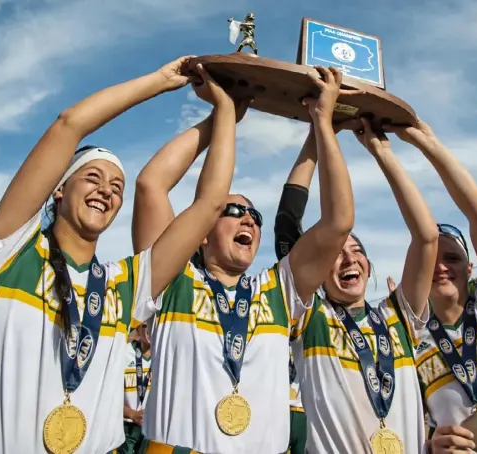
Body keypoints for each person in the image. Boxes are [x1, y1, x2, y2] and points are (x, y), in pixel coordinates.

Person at [0, 56, 238, 453]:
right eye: (93, 177)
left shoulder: (124, 284)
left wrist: (225, 111)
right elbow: (68, 124)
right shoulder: (11, 249)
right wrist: (160, 80)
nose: (106, 190)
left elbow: (210, 203)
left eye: (117, 186)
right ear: (58, 190)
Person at [132, 66, 355, 453]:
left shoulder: (278, 291)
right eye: (232, 212)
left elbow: (338, 222)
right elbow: (151, 184)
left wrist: (322, 122)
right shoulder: (171, 281)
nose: (248, 219)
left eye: (254, 216)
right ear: (201, 230)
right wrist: (221, 116)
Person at [274, 117, 439, 453]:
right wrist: (316, 139)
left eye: (357, 251)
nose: (349, 260)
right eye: (336, 253)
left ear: (368, 265)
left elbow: (427, 237)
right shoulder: (310, 318)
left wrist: (382, 152)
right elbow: (286, 224)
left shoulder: (399, 317)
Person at [383, 121, 477, 453]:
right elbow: (407, 420)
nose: (440, 267)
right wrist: (432, 446)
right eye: (432, 259)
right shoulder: (408, 336)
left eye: (451, 258)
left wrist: (429, 145)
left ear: (470, 268)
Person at [118, 322, 153, 454]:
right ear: (137, 327)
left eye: (153, 324)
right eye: (145, 325)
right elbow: (107, 398)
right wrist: (133, 414)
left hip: (152, 432)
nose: (149, 329)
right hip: (125, 430)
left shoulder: (165, 357)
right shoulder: (123, 352)